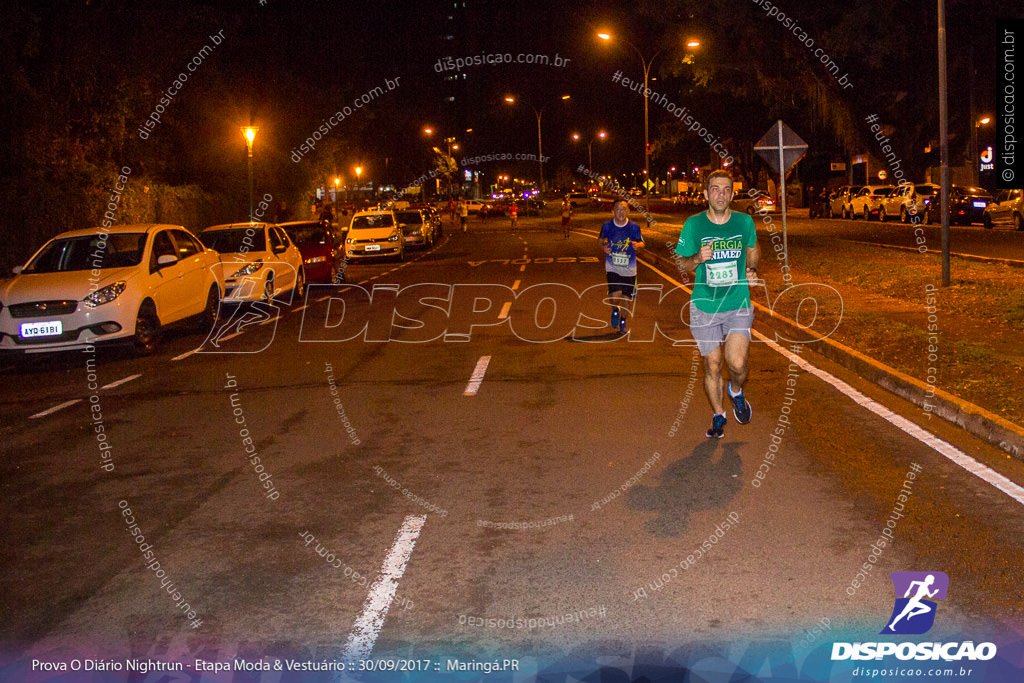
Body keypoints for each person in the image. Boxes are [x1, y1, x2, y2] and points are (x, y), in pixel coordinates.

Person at [675, 170, 760, 439]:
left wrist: (752, 268)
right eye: (715, 189)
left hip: (737, 302)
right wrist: (698, 258)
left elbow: (753, 249)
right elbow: (680, 262)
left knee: (736, 364)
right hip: (704, 305)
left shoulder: (744, 222)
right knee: (712, 365)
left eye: (726, 189)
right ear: (705, 194)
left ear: (732, 194)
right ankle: (718, 415)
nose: (720, 194)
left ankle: (735, 391)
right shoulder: (694, 224)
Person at [599, 199, 645, 334]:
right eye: (618, 209)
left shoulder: (634, 227)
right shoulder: (607, 226)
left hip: (629, 269)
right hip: (612, 267)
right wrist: (603, 247)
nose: (621, 212)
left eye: (624, 209)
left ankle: (623, 321)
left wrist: (639, 245)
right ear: (613, 211)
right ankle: (615, 310)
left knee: (626, 299)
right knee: (615, 296)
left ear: (628, 211)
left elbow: (642, 243)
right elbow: (601, 240)